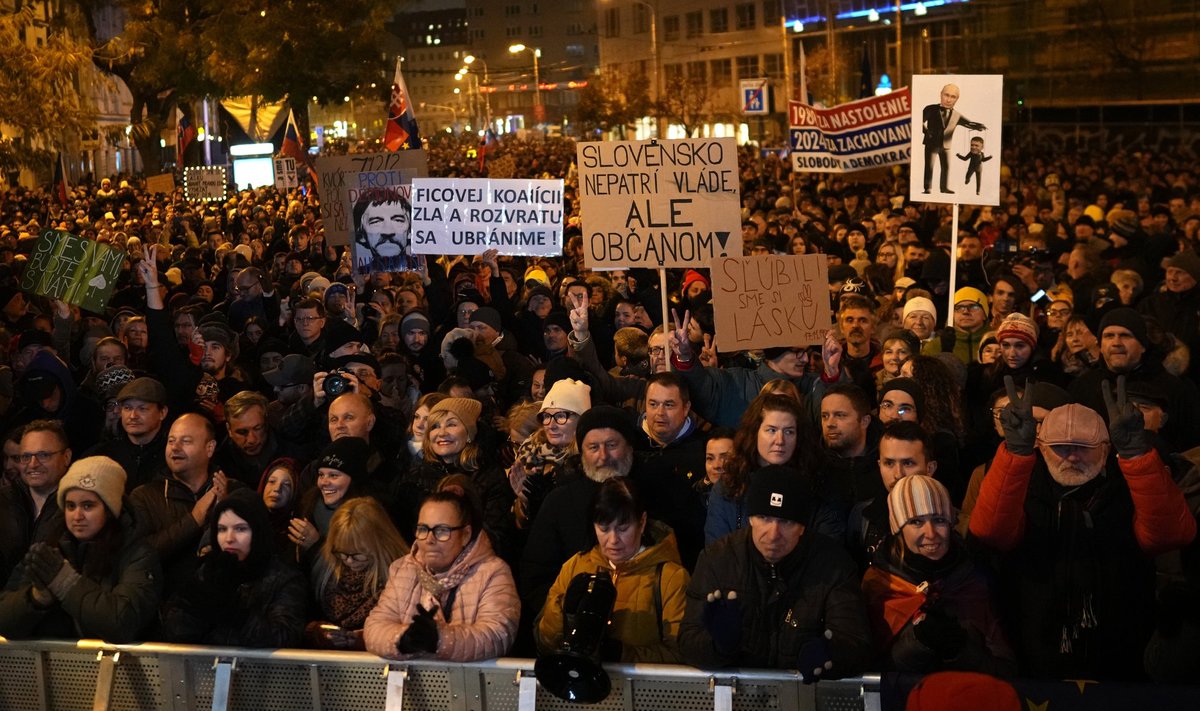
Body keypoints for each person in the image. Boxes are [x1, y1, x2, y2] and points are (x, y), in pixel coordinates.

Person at [969, 376, 1195, 679]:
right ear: (1042, 447)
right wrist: (1015, 453)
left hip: (1120, 647)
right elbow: (990, 532)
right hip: (1034, 644)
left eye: (1083, 447)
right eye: (1060, 447)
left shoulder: (1128, 484)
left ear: (1104, 449)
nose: (1072, 456)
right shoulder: (1023, 484)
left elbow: (1170, 535)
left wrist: (1136, 456)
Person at [680, 466, 873, 677]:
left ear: (802, 526)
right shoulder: (718, 559)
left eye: (785, 521)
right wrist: (718, 645)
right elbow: (688, 642)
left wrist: (832, 656)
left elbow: (854, 641)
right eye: (764, 518)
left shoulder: (833, 564)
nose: (773, 534)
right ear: (751, 518)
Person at [861, 475, 1015, 675]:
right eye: (916, 522)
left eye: (939, 520)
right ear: (898, 528)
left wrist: (960, 650)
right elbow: (872, 671)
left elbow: (1006, 670)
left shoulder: (976, 580)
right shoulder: (880, 584)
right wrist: (918, 642)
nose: (931, 533)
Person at [0, 456, 162, 642]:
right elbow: (4, 621)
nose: (77, 516)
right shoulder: (51, 548)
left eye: (88, 506)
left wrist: (65, 582)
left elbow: (123, 623)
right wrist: (36, 599)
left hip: (116, 668)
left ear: (109, 510)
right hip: (52, 667)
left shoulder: (138, 552)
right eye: (70, 506)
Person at [536, 478, 689, 663]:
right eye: (604, 528)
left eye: (623, 528)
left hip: (645, 689)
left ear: (642, 522)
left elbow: (680, 654)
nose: (613, 539)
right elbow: (545, 642)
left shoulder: (671, 577)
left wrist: (620, 653)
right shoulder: (575, 566)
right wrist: (564, 615)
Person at [364, 483, 519, 661]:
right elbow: (374, 627)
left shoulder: (493, 572)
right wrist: (405, 639)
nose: (430, 539)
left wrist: (439, 639)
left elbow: (496, 636)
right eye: (423, 529)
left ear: (466, 535)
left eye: (442, 531)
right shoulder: (403, 569)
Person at [160, 491, 308, 647]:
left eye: (240, 529)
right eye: (222, 529)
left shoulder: (285, 579)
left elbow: (283, 637)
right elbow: (175, 632)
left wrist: (235, 611)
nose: (229, 538)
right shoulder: (206, 571)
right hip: (206, 668)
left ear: (257, 532)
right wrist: (196, 608)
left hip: (259, 670)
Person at [306, 497, 410, 650]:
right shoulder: (324, 569)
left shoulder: (402, 577)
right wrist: (316, 631)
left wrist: (365, 639)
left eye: (358, 554)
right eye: (342, 552)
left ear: (380, 544)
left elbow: (409, 634)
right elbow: (302, 620)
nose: (349, 561)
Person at [921, 83, 986, 195]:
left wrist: (979, 126)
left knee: (946, 167)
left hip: (946, 145)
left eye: (953, 97)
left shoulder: (957, 115)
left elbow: (969, 123)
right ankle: (928, 188)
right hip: (931, 144)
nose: (949, 99)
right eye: (946, 95)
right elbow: (919, 120)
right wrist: (926, 131)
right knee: (929, 166)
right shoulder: (930, 109)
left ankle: (944, 187)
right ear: (941, 94)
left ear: (957, 99)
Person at [351, 186, 418, 275]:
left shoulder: (425, 270)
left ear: (410, 231)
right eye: (376, 222)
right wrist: (361, 287)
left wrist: (425, 280)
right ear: (361, 234)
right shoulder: (360, 275)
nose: (388, 231)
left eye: (398, 220)